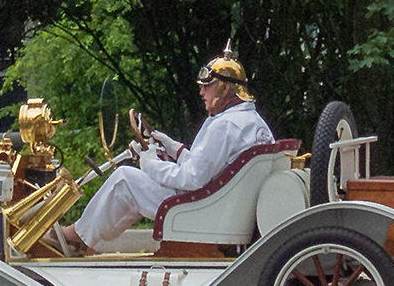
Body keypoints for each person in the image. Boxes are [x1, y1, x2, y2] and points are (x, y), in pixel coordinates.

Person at [54, 43, 274, 256]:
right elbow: (208, 168)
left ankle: (77, 237)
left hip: (201, 210)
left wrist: (150, 164)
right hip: (221, 207)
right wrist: (174, 148)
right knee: (133, 189)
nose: (201, 92)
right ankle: (86, 240)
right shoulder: (252, 122)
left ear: (224, 88)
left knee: (124, 179)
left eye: (206, 86)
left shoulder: (224, 125)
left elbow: (192, 178)